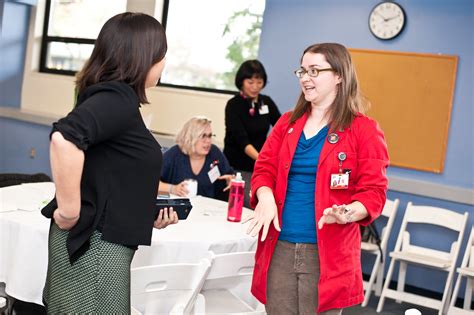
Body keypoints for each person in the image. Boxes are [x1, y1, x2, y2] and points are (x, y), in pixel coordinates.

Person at [40, 12, 178, 314]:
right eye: (162, 54)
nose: (164, 63)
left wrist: (145, 213)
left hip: (97, 243)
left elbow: (109, 172)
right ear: (145, 57)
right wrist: (68, 209)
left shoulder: (113, 98)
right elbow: (64, 138)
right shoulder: (117, 99)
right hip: (97, 249)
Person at [243, 43, 389, 314]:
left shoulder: (364, 130)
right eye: (302, 71)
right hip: (280, 248)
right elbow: (264, 170)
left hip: (327, 254)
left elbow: (373, 192)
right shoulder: (287, 123)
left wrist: (346, 212)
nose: (304, 78)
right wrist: (264, 197)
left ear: (339, 76)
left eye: (314, 70)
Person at [223, 60, 281, 206]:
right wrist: (263, 160)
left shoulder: (266, 102)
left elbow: (282, 127)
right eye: (250, 82)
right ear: (241, 82)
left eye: (259, 82)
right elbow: (242, 141)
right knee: (243, 204)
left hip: (259, 165)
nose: (255, 87)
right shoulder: (233, 105)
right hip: (237, 167)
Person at [159, 116, 235, 200]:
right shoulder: (174, 154)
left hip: (208, 209)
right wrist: (173, 188)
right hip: (178, 208)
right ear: (190, 137)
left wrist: (232, 181)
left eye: (209, 136)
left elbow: (230, 175)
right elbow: (150, 182)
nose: (208, 141)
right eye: (203, 136)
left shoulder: (214, 153)